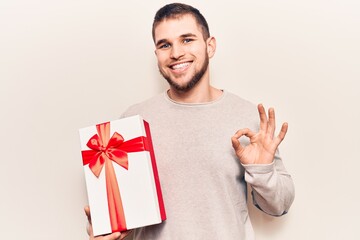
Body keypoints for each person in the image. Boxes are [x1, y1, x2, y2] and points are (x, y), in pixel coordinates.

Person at [85, 3, 295, 240]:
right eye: (165, 45)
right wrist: (105, 229)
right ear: (157, 54)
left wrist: (262, 171)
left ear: (210, 46)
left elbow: (279, 206)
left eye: (187, 40)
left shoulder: (246, 116)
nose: (176, 53)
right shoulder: (132, 121)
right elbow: (119, 214)